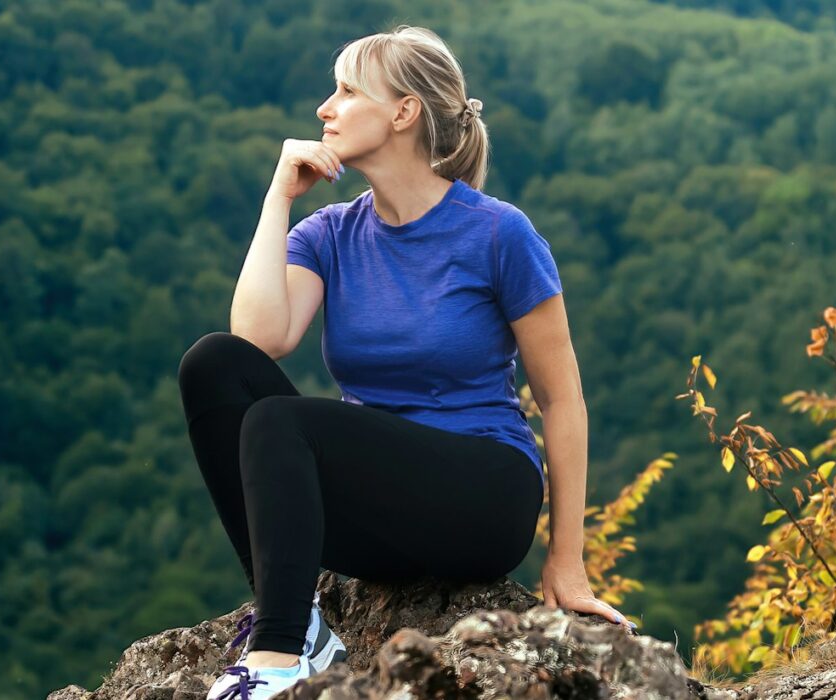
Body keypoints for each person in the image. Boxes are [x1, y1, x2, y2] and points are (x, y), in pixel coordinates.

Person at [176, 25, 634, 700]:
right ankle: (296, 624)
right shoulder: (330, 234)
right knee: (212, 363)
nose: (324, 109)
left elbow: (562, 398)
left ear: (403, 112)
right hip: (381, 512)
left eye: (346, 90)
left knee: (281, 423)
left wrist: (568, 564)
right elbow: (258, 338)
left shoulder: (499, 233)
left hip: (483, 494)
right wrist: (278, 199)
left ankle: (274, 658)